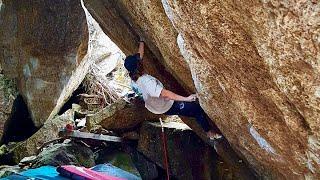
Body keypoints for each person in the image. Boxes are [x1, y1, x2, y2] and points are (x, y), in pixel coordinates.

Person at [124, 40, 221, 140]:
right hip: (167, 106)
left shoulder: (134, 78)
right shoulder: (147, 82)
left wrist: (141, 41)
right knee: (196, 109)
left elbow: (139, 55)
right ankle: (209, 133)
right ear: (139, 64)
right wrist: (187, 99)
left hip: (155, 106)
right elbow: (166, 94)